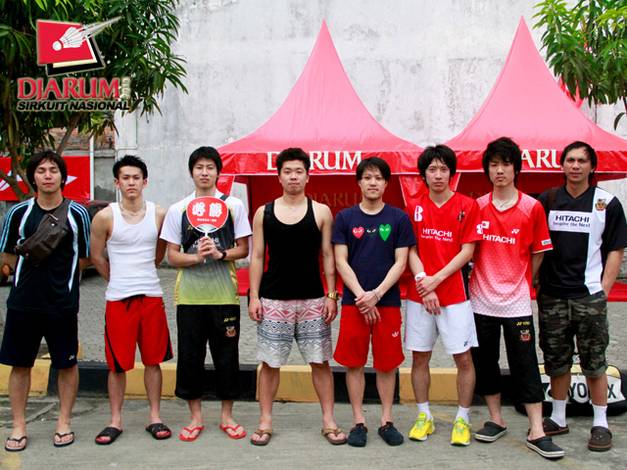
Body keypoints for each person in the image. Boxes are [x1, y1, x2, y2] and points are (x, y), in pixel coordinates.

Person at [469, 137, 564, 460]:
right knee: (485, 362)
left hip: (517, 303)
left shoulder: (531, 207)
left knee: (525, 364)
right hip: (481, 300)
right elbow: (470, 251)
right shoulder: (478, 206)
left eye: (506, 164)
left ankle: (537, 429)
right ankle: (496, 419)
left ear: (516, 169)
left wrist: (521, 281)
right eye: (494, 164)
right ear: (487, 170)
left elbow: (538, 253)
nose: (499, 170)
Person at [248, 147, 346, 446]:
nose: (293, 177)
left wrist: (331, 295)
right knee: (270, 364)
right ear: (278, 176)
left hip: (313, 300)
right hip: (273, 300)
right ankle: (265, 421)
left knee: (320, 362)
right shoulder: (263, 212)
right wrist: (254, 297)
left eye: (298, 171)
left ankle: (328, 420)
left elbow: (328, 255)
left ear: (307, 176)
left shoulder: (321, 211)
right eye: (287, 171)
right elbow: (257, 256)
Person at [537, 141, 626, 452]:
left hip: (589, 298)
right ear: (562, 165)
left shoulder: (607, 203)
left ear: (592, 166)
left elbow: (615, 249)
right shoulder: (547, 200)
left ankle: (600, 423)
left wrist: (604, 290)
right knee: (556, 361)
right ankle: (558, 417)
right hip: (552, 297)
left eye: (582, 161)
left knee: (594, 362)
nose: (575, 166)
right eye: (570, 160)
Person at [0, 150, 90, 451]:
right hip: (23, 303)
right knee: (20, 365)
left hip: (62, 304)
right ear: (33, 177)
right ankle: (18, 426)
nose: (48, 175)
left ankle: (64, 422)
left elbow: (84, 258)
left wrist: (62, 284)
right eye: (41, 171)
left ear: (63, 177)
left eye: (53, 170)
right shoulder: (18, 213)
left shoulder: (78, 214)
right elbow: (7, 256)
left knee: (66, 364)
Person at [160, 146, 251, 442]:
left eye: (210, 167)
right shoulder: (178, 209)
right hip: (189, 297)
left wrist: (220, 253)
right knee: (190, 357)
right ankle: (195, 418)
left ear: (218, 172)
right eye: (199, 167)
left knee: (227, 357)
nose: (204, 172)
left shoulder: (234, 206)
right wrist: (198, 257)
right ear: (191, 172)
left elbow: (244, 249)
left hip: (225, 296)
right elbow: (172, 256)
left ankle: (227, 416)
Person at [332, 157, 415, 448]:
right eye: (367, 177)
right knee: (354, 363)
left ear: (386, 183)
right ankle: (359, 422)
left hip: (387, 302)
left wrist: (376, 295)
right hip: (354, 303)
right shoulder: (345, 218)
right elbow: (340, 261)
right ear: (358, 182)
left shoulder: (398, 218)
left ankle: (386, 421)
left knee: (387, 364)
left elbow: (401, 262)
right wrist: (361, 297)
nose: (372, 183)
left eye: (378, 178)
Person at [90, 155, 173, 445]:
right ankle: (115, 420)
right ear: (117, 182)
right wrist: (116, 280)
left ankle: (155, 416)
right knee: (117, 365)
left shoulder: (159, 214)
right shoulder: (105, 216)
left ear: (145, 182)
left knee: (153, 361)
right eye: (125, 178)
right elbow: (97, 256)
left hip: (151, 296)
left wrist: (141, 275)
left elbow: (160, 253)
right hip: (118, 300)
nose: (131, 182)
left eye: (136, 177)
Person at [405, 145, 481, 446]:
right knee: (419, 357)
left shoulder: (467, 205)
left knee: (463, 358)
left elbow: (468, 251)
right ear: (423, 174)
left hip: (455, 294)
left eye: (443, 169)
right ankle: (424, 416)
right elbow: (410, 250)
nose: (438, 175)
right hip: (420, 296)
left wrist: (435, 280)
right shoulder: (414, 206)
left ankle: (462, 419)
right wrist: (424, 283)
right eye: (432, 169)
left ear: (452, 173)